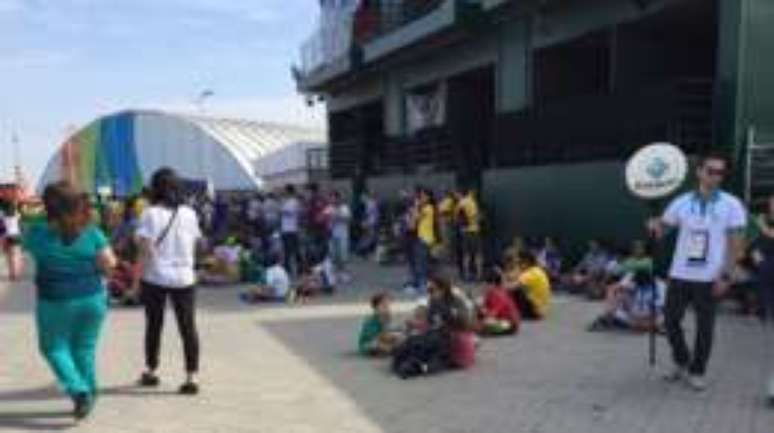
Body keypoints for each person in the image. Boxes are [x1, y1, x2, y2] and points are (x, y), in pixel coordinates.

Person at [648, 152, 747, 392]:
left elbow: (737, 243)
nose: (716, 177)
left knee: (705, 327)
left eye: (720, 173)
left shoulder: (731, 204)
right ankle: (682, 360)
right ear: (699, 172)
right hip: (680, 274)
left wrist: (726, 275)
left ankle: (697, 371)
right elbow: (662, 232)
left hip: (710, 277)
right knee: (670, 321)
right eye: (711, 171)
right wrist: (654, 226)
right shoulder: (681, 202)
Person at [22, 181, 117, 419]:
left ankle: (79, 390)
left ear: (48, 207)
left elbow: (28, 246)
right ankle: (90, 390)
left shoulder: (37, 234)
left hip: (55, 301)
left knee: (53, 348)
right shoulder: (92, 231)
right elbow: (110, 263)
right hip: (92, 298)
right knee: (84, 347)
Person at [135, 167, 203, 395]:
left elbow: (145, 250)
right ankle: (192, 376)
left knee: (154, 325)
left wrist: (136, 279)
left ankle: (152, 371)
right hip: (185, 277)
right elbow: (195, 245)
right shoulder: (190, 213)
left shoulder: (149, 213)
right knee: (188, 327)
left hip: (156, 277)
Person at [507, 250, 552, 320]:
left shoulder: (530, 274)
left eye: (519, 262)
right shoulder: (537, 270)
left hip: (535, 310)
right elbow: (511, 277)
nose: (518, 265)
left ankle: (511, 312)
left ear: (526, 262)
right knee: (521, 289)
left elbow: (511, 287)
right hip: (540, 309)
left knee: (515, 291)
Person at [407, 188, 437, 295]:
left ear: (428, 197)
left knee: (421, 263)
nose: (421, 198)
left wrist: (415, 206)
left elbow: (414, 220)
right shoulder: (425, 208)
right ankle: (421, 283)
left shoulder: (428, 208)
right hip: (423, 238)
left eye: (423, 196)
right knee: (421, 262)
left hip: (424, 238)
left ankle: (422, 284)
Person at [478, 268, 520, 336]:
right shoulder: (491, 292)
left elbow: (491, 314)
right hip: (500, 318)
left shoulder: (497, 294)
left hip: (509, 323)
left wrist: (482, 310)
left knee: (485, 324)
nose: (483, 286)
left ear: (492, 283)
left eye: (485, 283)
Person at [358, 292, 402, 356]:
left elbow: (388, 330)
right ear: (375, 308)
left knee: (399, 339)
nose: (387, 309)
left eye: (388, 306)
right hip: (370, 342)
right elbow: (375, 336)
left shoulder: (386, 317)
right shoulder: (371, 320)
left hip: (383, 340)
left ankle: (392, 349)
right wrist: (391, 335)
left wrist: (396, 333)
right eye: (384, 306)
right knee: (378, 345)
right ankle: (389, 350)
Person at [456, 187, 483, 282]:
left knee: (466, 255)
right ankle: (479, 275)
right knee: (477, 254)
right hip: (475, 231)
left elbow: (457, 218)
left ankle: (466, 275)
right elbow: (477, 217)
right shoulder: (473, 202)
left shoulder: (460, 203)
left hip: (464, 232)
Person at [280, 184, 303, 277]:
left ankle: (300, 269)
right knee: (286, 252)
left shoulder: (294, 202)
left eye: (285, 190)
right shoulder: (285, 201)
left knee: (295, 251)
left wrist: (283, 210)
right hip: (285, 229)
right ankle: (287, 270)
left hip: (292, 230)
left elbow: (292, 212)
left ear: (289, 191)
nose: (283, 192)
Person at [327, 191, 351, 276]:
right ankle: (335, 273)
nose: (332, 199)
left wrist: (337, 216)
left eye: (333, 197)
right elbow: (324, 218)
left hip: (342, 234)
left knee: (343, 254)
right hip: (331, 234)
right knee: (333, 254)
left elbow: (347, 219)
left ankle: (344, 273)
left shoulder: (344, 208)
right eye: (330, 197)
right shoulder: (329, 208)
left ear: (338, 198)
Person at [2, 201, 23, 281]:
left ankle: (12, 274)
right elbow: (20, 226)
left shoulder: (2, 215)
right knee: (16, 255)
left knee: (9, 257)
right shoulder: (17, 215)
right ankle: (16, 274)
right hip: (16, 236)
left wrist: (2, 239)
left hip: (6, 236)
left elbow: (1, 229)